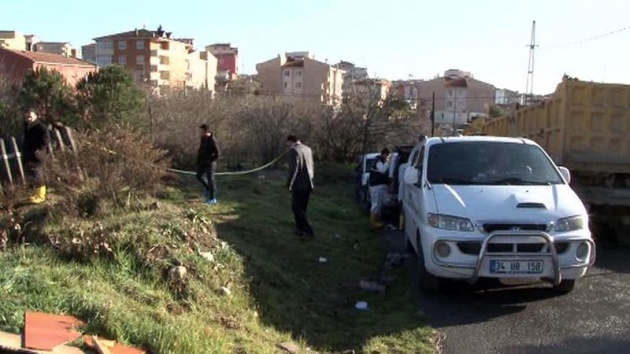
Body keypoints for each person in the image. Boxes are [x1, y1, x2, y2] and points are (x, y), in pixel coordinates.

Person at [286, 135, 315, 239]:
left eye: (287, 143)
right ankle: (300, 229)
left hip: (299, 185)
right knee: (302, 208)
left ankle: (308, 231)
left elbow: (294, 170)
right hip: (308, 184)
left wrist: (289, 184)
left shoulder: (294, 151)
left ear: (290, 141)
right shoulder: (308, 149)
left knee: (296, 208)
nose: (287, 145)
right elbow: (311, 166)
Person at [22, 109, 50, 204]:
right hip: (29, 154)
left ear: (36, 116)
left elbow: (45, 140)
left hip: (37, 154)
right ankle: (37, 193)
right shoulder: (27, 127)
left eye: (30, 116)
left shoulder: (40, 127)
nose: (28, 119)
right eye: (27, 117)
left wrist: (39, 150)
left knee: (36, 172)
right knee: (32, 173)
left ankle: (41, 195)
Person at [196, 124, 220, 205]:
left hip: (210, 163)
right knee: (199, 176)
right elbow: (200, 150)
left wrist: (211, 160)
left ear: (206, 131)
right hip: (203, 162)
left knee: (211, 179)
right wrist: (198, 161)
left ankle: (213, 198)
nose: (200, 133)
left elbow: (218, 153)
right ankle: (207, 188)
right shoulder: (203, 139)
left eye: (202, 131)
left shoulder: (212, 140)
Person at [369, 147, 391, 231]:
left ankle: (376, 221)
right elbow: (382, 170)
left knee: (378, 205)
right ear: (384, 154)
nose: (387, 158)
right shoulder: (377, 161)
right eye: (387, 156)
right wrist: (388, 163)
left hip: (379, 186)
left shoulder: (380, 161)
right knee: (375, 205)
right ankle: (373, 223)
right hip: (376, 186)